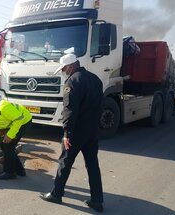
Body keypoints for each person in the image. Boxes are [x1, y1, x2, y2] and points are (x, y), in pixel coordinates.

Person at [39, 54, 104, 212]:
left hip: (76, 132)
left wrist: (67, 133)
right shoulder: (96, 79)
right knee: (93, 166)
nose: (64, 72)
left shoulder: (73, 81)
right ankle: (97, 201)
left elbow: (70, 110)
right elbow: (100, 106)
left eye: (64, 68)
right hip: (93, 131)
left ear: (71, 66)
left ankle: (56, 194)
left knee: (65, 163)